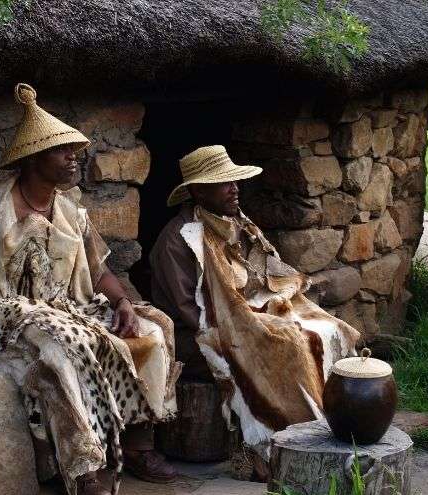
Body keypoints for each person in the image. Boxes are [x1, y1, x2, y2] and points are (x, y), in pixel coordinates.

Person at [0, 84, 180, 495]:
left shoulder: (71, 212)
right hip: (8, 315)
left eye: (73, 151)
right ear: (31, 161)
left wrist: (121, 303)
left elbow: (97, 272)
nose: (73, 158)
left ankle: (138, 444)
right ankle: (81, 468)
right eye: (61, 151)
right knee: (63, 349)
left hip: (67, 306)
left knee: (154, 328)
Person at [149, 145, 360, 458]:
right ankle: (288, 441)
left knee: (329, 328)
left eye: (235, 181)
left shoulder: (233, 224)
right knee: (288, 344)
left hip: (238, 316)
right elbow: (193, 312)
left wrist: (263, 311)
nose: (235, 188)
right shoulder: (179, 239)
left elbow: (258, 276)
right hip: (195, 336)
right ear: (197, 190)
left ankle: (339, 421)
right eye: (224, 182)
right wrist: (249, 329)